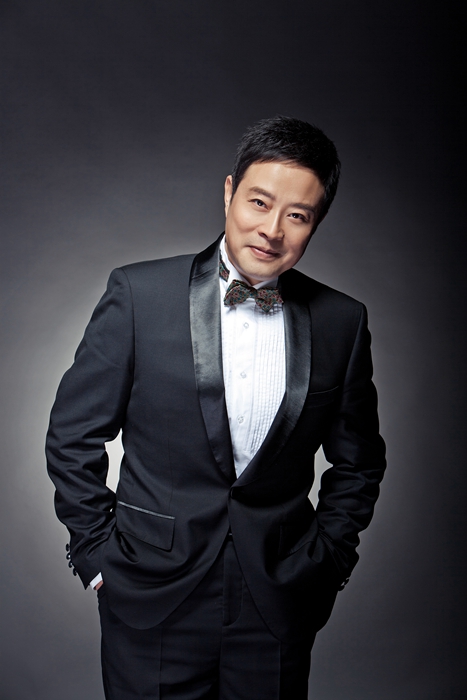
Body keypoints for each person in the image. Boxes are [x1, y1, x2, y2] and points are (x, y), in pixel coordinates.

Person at [46, 115, 386, 700]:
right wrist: (96, 556)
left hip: (277, 597)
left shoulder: (342, 322)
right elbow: (72, 436)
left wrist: (328, 561)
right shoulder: (139, 295)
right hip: (149, 593)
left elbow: (359, 462)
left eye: (297, 216)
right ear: (229, 192)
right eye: (259, 202)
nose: (272, 230)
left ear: (315, 224)